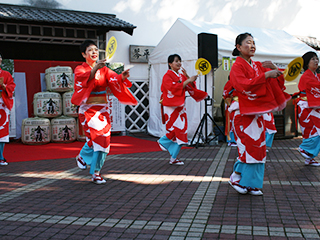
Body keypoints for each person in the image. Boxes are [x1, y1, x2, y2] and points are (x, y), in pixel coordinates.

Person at [227, 33, 290, 195]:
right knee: (248, 147)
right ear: (238, 47)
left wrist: (274, 69)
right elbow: (243, 85)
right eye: (248, 42)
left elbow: (276, 81)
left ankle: (251, 183)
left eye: (254, 42)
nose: (252, 45)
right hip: (242, 112)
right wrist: (265, 75)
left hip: (256, 113)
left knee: (259, 147)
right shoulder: (237, 66)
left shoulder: (256, 65)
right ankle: (236, 176)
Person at [71, 40, 137, 184]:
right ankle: (93, 171)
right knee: (97, 138)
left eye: (96, 49)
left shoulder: (105, 70)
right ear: (83, 54)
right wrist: (95, 69)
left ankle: (92, 167)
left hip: (103, 109)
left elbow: (114, 79)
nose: (94, 52)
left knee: (105, 140)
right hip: (88, 109)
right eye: (90, 50)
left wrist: (122, 77)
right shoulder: (80, 69)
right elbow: (82, 80)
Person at [158, 54, 207, 165]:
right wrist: (187, 80)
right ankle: (163, 141)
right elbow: (172, 88)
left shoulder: (180, 75)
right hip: (171, 106)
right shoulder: (167, 76)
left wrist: (189, 77)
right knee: (176, 130)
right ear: (170, 64)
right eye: (176, 61)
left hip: (179, 106)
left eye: (180, 61)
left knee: (182, 131)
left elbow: (190, 86)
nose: (179, 63)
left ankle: (173, 158)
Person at [295, 51, 320, 166]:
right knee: (313, 131)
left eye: (317, 59)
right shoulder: (306, 76)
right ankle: (305, 148)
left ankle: (309, 158)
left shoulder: (316, 76)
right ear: (307, 63)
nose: (316, 61)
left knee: (315, 131)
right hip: (307, 107)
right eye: (313, 59)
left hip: (314, 106)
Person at [0, 54, 16, 166]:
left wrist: (4, 86)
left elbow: (11, 87)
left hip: (2, 105)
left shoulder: (6, 74)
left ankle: (1, 157)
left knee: (2, 132)